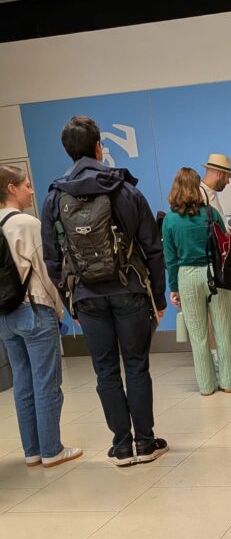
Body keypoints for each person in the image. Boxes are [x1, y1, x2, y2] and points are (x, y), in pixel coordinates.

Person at [41, 115, 168, 467]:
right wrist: (158, 298)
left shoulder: (54, 197)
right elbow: (152, 248)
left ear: (67, 151)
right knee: (136, 365)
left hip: (86, 297)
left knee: (106, 371)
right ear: (99, 147)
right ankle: (146, 442)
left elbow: (52, 259)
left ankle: (122, 446)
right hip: (130, 290)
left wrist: (70, 302)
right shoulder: (124, 189)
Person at [0, 166, 82, 469]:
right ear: (11, 188)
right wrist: (61, 309)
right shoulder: (27, 223)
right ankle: (52, 450)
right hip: (34, 309)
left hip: (5, 316)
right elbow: (47, 272)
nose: (31, 191)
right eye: (26, 185)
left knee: (22, 383)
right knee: (46, 382)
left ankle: (32, 451)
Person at [164, 167, 231, 395]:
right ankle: (228, 382)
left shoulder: (169, 220)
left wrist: (174, 288)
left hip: (187, 277)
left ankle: (206, 387)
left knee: (198, 337)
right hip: (214, 275)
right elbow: (224, 245)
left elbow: (170, 259)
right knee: (223, 330)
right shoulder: (211, 213)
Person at [200, 153, 231, 372]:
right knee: (213, 314)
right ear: (219, 174)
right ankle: (218, 359)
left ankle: (225, 357)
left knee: (219, 313)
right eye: (227, 177)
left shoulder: (210, 195)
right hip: (209, 264)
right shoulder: (200, 196)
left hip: (216, 262)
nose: (228, 182)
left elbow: (221, 228)